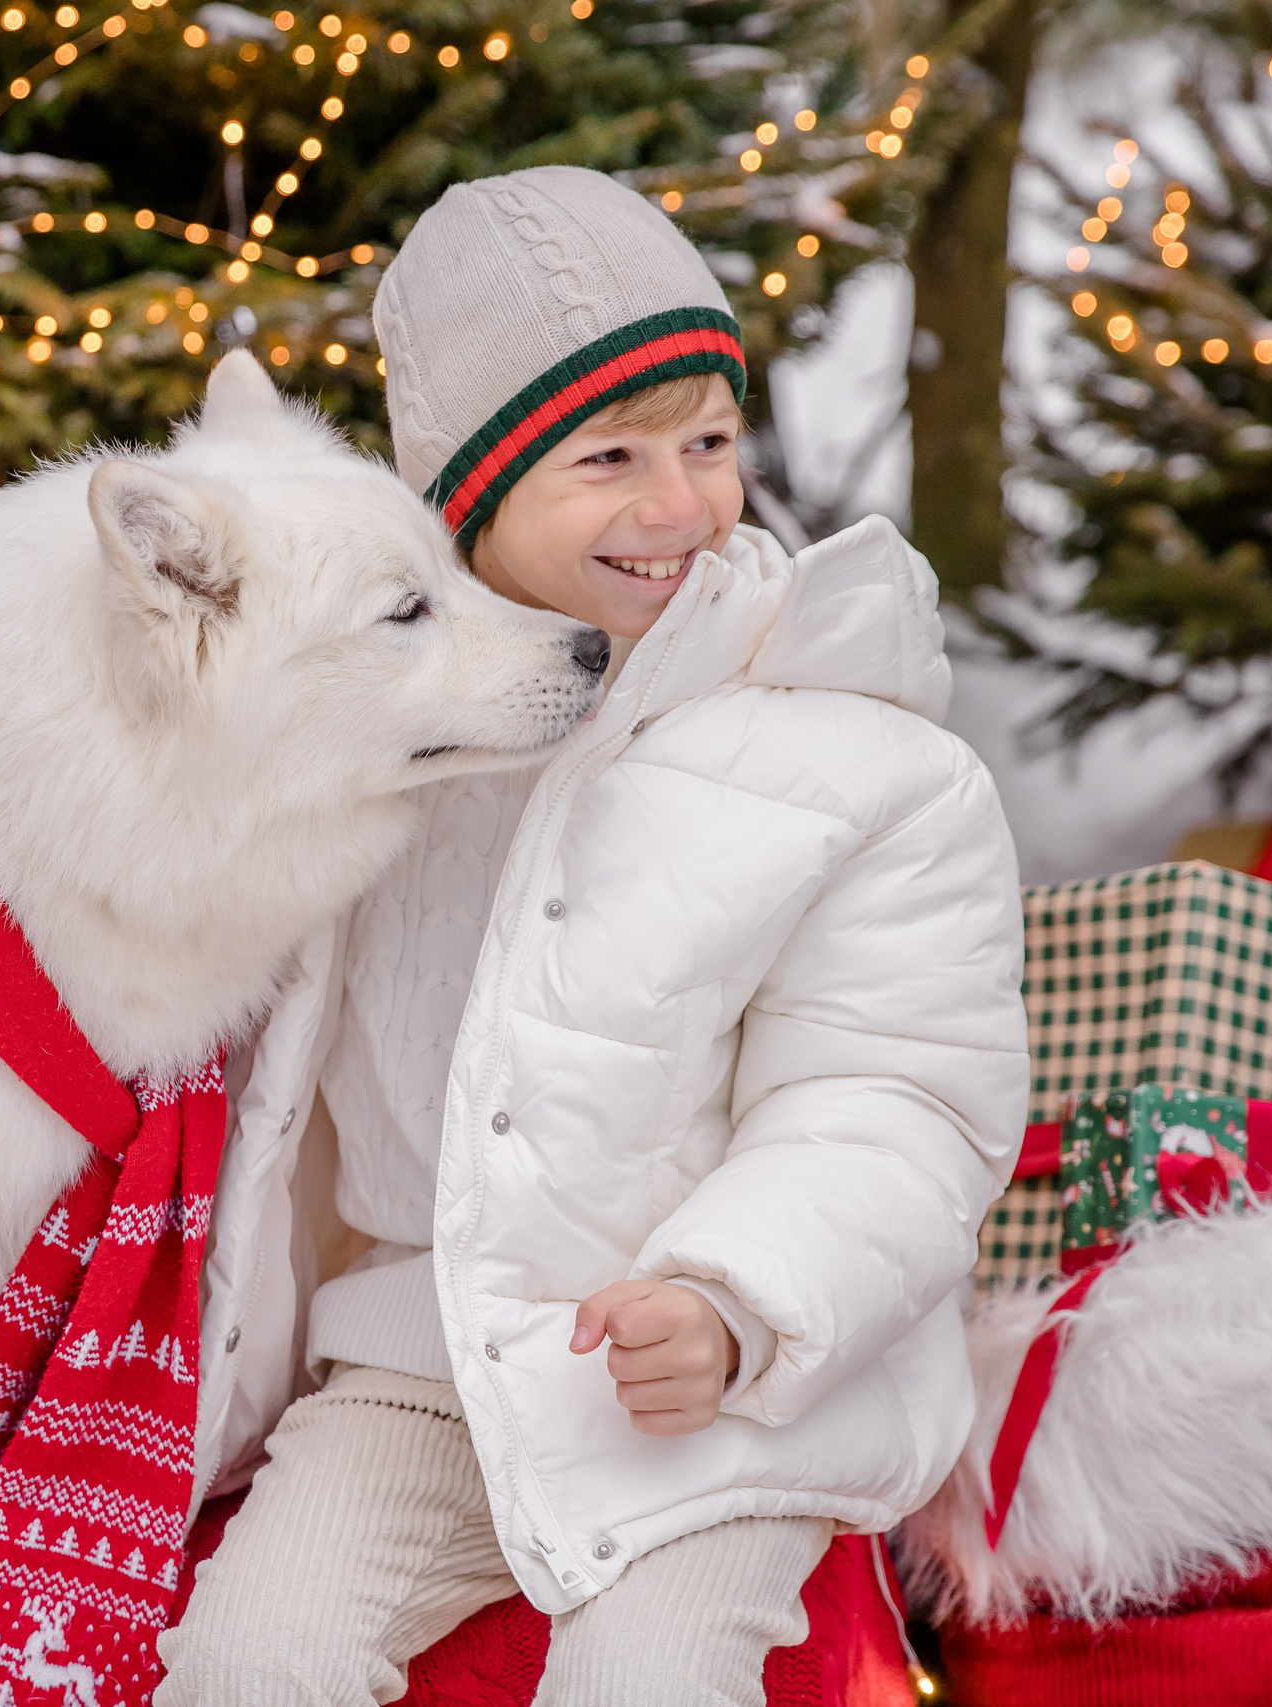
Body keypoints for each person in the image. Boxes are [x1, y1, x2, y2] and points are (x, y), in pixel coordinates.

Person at [158, 166, 1030, 1706]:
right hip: (422, 1357)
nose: (678, 503)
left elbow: (894, 1098)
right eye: (609, 457)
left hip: (721, 1385)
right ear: (470, 494)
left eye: (706, 442)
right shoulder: (374, 745)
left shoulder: (851, 756)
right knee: (246, 1664)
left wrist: (735, 1301)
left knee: (642, 1687)